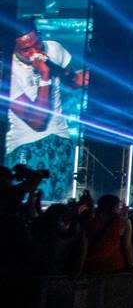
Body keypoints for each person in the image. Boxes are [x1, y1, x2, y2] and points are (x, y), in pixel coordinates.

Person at [6, 27, 89, 199]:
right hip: (28, 143)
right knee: (27, 201)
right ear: (14, 49)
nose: (35, 52)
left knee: (57, 201)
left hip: (60, 138)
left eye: (38, 45)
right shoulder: (8, 72)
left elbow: (72, 81)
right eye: (26, 49)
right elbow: (38, 122)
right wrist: (45, 76)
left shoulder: (53, 48)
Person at [81, 195, 133, 274]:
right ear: (115, 207)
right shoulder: (123, 222)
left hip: (89, 265)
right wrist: (131, 265)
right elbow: (127, 246)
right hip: (114, 264)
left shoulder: (89, 221)